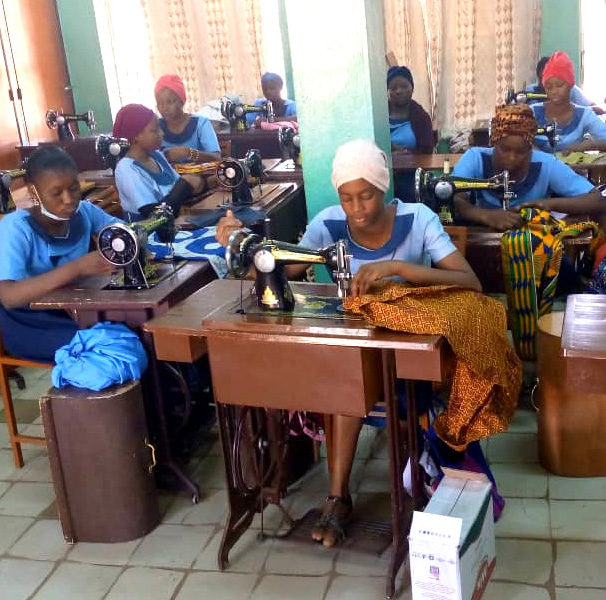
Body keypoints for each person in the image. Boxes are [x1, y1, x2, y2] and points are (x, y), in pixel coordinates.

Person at [216, 139, 481, 547]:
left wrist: (395, 267)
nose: (357, 209)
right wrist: (242, 245)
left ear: (383, 187)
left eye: (367, 196)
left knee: (346, 384)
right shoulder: (327, 225)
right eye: (347, 198)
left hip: (408, 352)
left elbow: (469, 282)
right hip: (353, 352)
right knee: (342, 378)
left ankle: (341, 498)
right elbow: (280, 270)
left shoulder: (420, 219)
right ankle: (337, 497)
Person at [0, 146, 120, 362]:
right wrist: (77, 268)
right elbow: (9, 297)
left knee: (135, 332)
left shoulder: (84, 212)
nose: (68, 199)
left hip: (76, 310)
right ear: (33, 192)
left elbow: (123, 233)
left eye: (74, 188)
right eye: (56, 193)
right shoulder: (15, 228)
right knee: (112, 347)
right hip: (31, 324)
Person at [453, 103, 605, 231]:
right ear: (494, 143)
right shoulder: (474, 158)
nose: (512, 158)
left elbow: (598, 200)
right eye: (505, 149)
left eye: (522, 152)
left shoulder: (546, 164)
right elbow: (455, 200)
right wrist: (486, 215)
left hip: (534, 249)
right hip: (481, 242)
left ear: (531, 148)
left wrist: (550, 204)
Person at [113, 103, 206, 221]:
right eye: (155, 130)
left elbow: (180, 193)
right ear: (136, 136)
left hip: (176, 222)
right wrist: (185, 184)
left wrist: (199, 183)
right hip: (149, 234)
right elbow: (155, 215)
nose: (162, 133)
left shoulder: (156, 156)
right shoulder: (127, 169)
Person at [530, 52, 606, 153]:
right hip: (539, 168)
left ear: (571, 85)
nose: (554, 91)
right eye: (548, 87)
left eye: (559, 85)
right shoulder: (532, 112)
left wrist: (588, 145)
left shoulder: (584, 114)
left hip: (573, 168)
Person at [154, 74, 221, 164]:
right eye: (160, 103)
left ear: (182, 101)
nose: (165, 107)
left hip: (199, 175)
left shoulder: (200, 124)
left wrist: (189, 153)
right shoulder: (155, 127)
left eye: (170, 102)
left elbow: (216, 157)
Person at [525, 56, 604, 114]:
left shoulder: (569, 89)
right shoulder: (530, 91)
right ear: (538, 76)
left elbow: (597, 109)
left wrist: (573, 111)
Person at [387, 65, 434, 154]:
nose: (399, 91)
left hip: (414, 167)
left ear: (412, 88)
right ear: (387, 91)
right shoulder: (379, 116)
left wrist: (405, 153)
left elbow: (427, 152)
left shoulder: (422, 117)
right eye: (393, 88)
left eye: (404, 87)